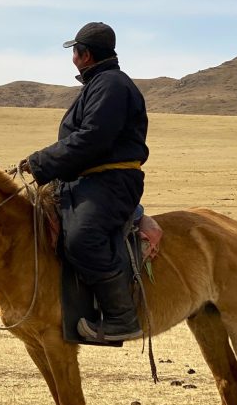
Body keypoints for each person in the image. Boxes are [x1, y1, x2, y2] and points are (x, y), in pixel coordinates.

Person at [20, 22, 149, 343]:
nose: (73, 58)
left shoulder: (112, 86)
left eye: (75, 51)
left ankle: (121, 318)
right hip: (89, 180)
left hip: (111, 181)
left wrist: (42, 162)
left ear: (84, 55)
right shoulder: (99, 84)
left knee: (82, 238)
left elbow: (93, 139)